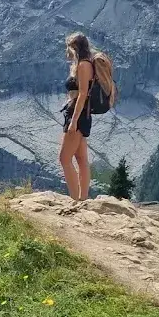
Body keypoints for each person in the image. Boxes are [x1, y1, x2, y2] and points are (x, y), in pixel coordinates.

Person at [59, 32, 115, 201]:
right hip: (82, 113)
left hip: (78, 114)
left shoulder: (84, 66)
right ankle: (82, 199)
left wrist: (73, 121)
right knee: (81, 159)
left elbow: (83, 94)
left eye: (68, 48)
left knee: (64, 159)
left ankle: (75, 200)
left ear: (74, 48)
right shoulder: (84, 64)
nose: (66, 52)